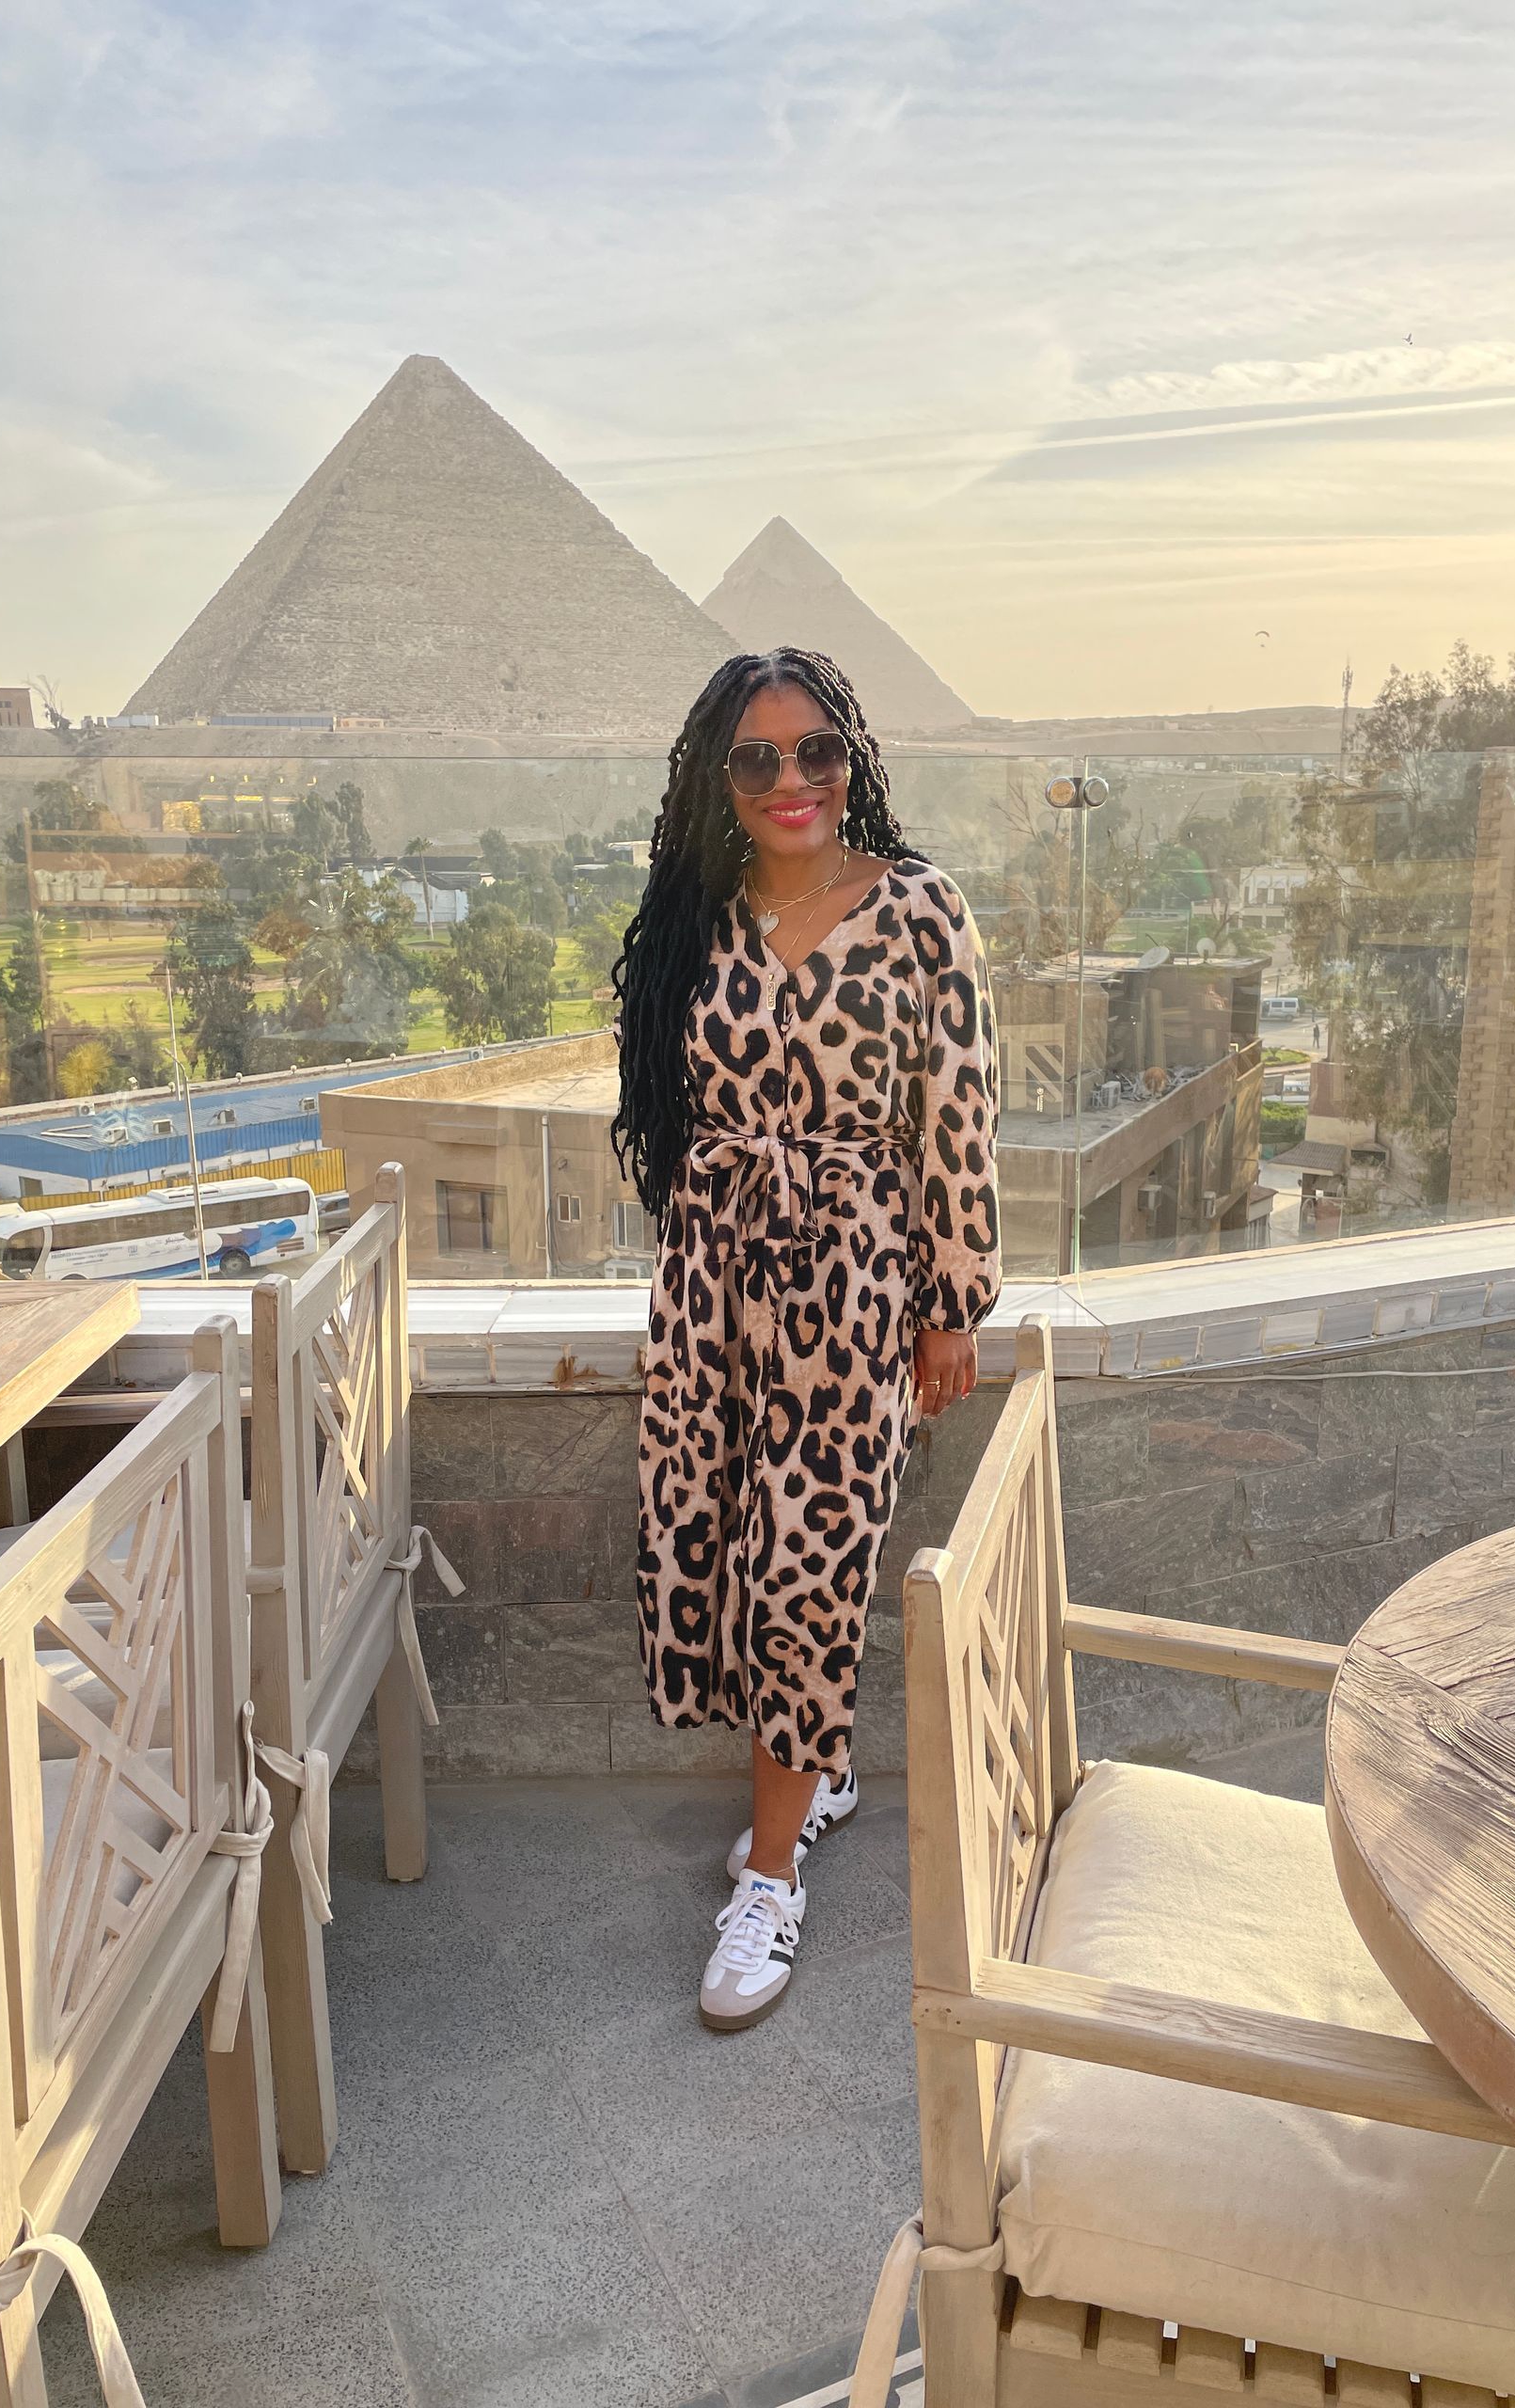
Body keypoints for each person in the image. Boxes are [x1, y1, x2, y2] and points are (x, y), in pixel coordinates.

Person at [611, 648, 1002, 2031]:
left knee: (812, 1563)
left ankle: (769, 1873)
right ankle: (816, 1768)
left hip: (854, 1281)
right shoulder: (691, 921)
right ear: (716, 778)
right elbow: (667, 1113)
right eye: (759, 758)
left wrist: (953, 1298)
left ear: (854, 759)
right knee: (724, 1541)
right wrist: (693, 1269)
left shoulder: (918, 911)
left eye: (817, 751)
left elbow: (957, 1110)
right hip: (715, 1281)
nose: (793, 781)